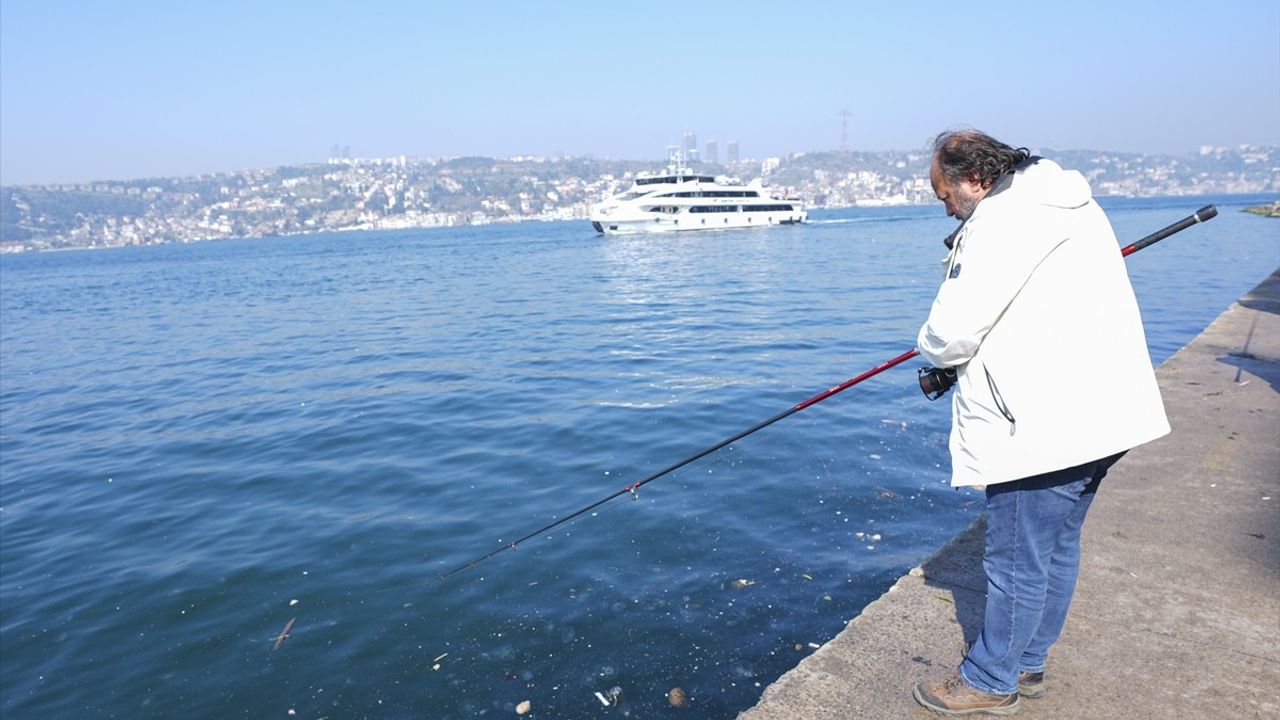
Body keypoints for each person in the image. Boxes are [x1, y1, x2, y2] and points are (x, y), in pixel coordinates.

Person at [912, 130, 1169, 716]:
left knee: (1015, 557)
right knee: (1054, 545)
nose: (945, 206)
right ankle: (1028, 663)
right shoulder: (1065, 199)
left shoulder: (1000, 222)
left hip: (1042, 425)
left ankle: (990, 678)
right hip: (1104, 411)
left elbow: (949, 335)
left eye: (943, 193)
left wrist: (927, 344)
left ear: (975, 180)